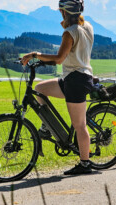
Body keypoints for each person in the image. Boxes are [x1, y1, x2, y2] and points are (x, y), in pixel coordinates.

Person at [21, 0, 94, 175]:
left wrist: (35, 55)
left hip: (76, 81)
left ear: (64, 12)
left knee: (79, 125)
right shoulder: (87, 27)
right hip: (74, 77)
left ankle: (85, 164)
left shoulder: (70, 33)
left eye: (60, 11)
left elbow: (60, 58)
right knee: (39, 89)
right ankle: (47, 127)